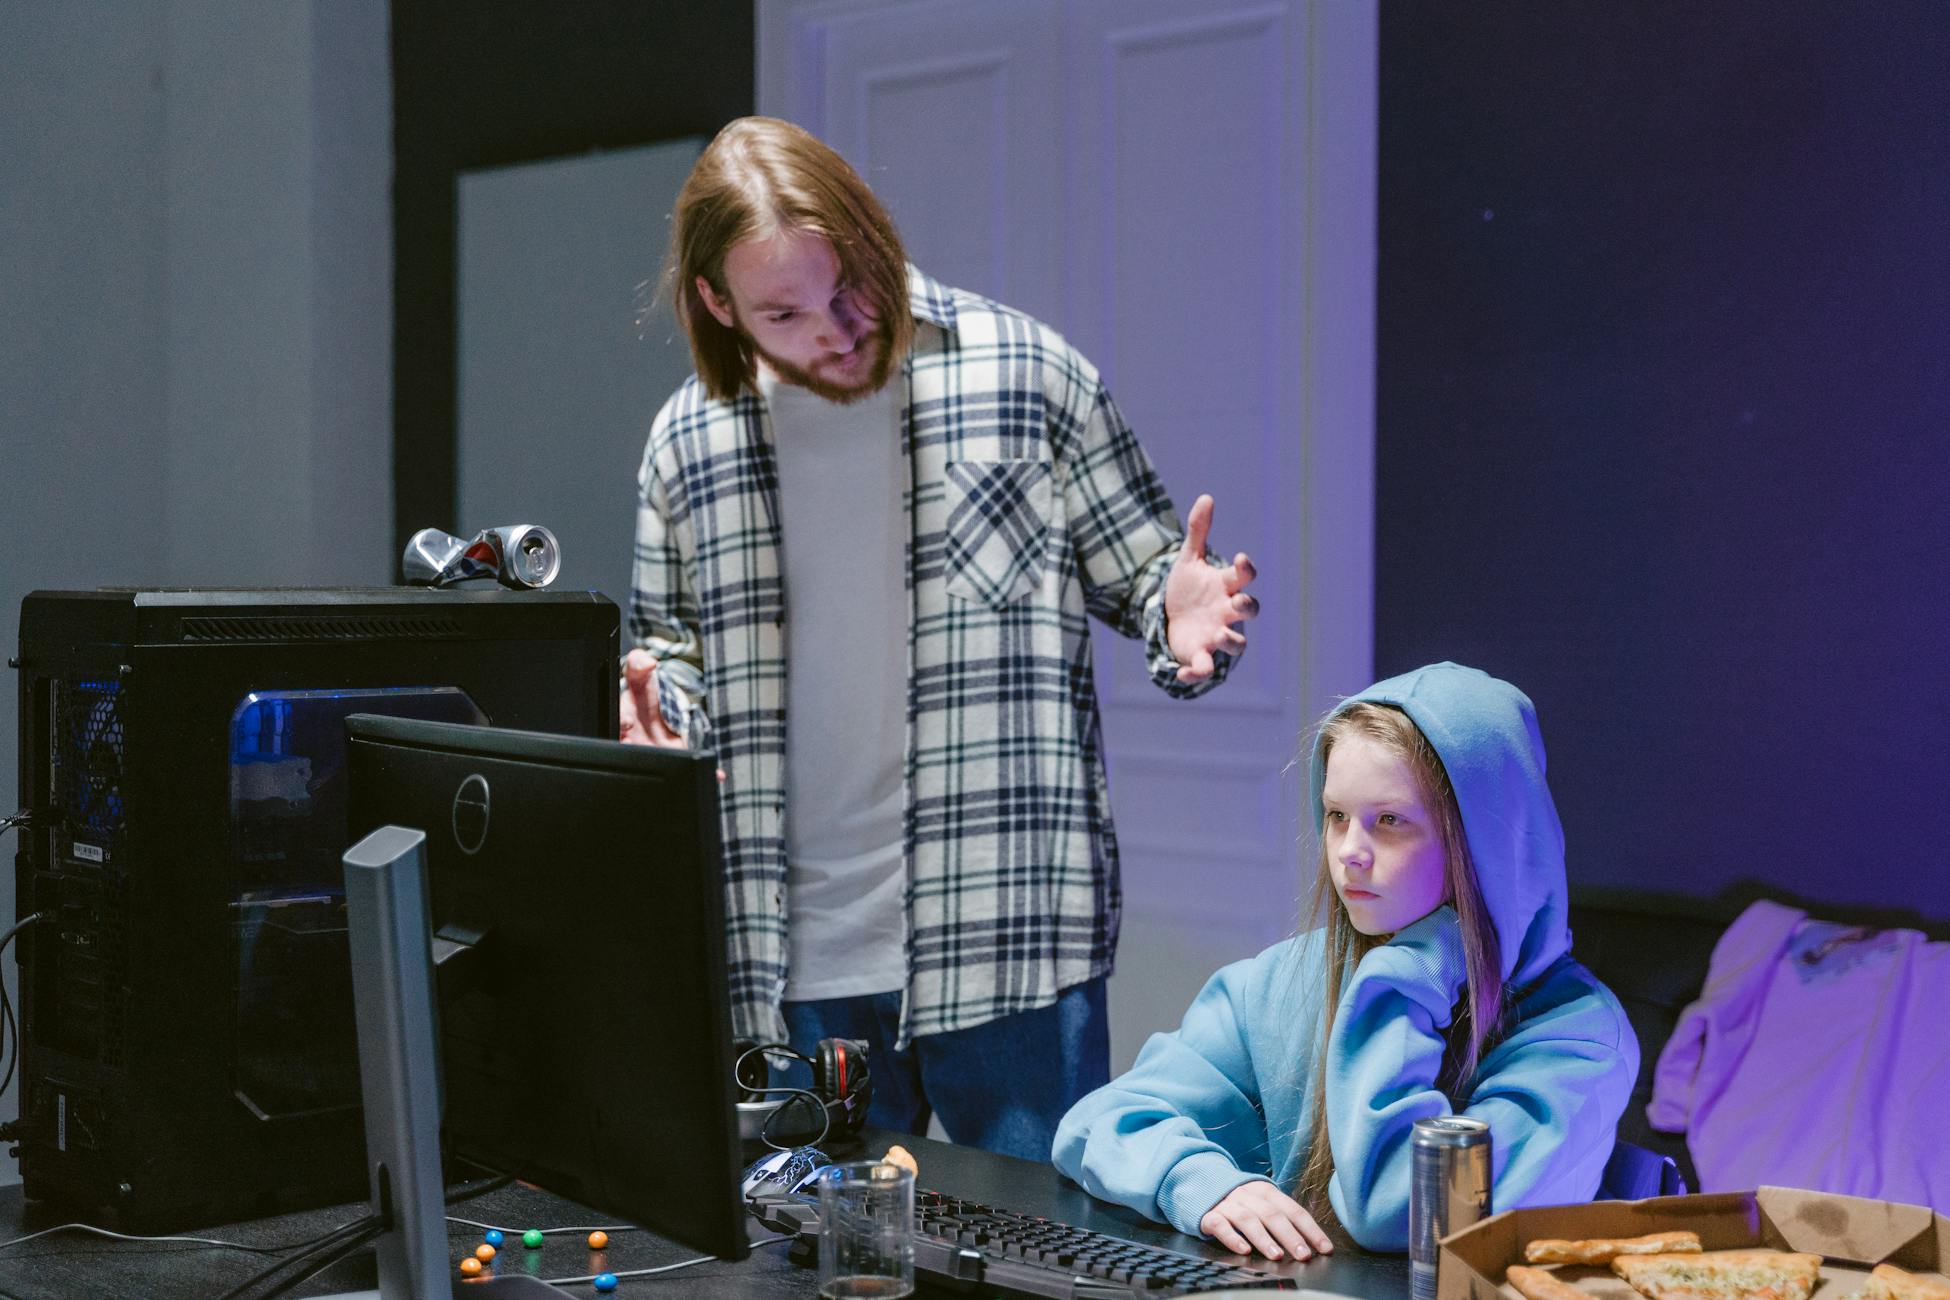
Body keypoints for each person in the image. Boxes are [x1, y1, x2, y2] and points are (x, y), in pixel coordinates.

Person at [619, 116, 1259, 1160]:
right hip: (788, 969)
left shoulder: (1024, 373)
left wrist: (1183, 611)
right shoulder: (687, 440)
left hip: (1008, 938)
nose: (834, 329)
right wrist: (658, 730)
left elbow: (1151, 576)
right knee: (807, 1271)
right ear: (716, 302)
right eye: (784, 311)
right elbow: (673, 658)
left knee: (1046, 1261)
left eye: (848, 287)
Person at [1051, 662, 1637, 1256]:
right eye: (1336, 816)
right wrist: (1200, 1183)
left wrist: (1402, 978)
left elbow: (1400, 1212)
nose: (1349, 853)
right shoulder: (1281, 983)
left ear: (1486, 844)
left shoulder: (1581, 1042)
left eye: (1389, 821)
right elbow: (1101, 1120)